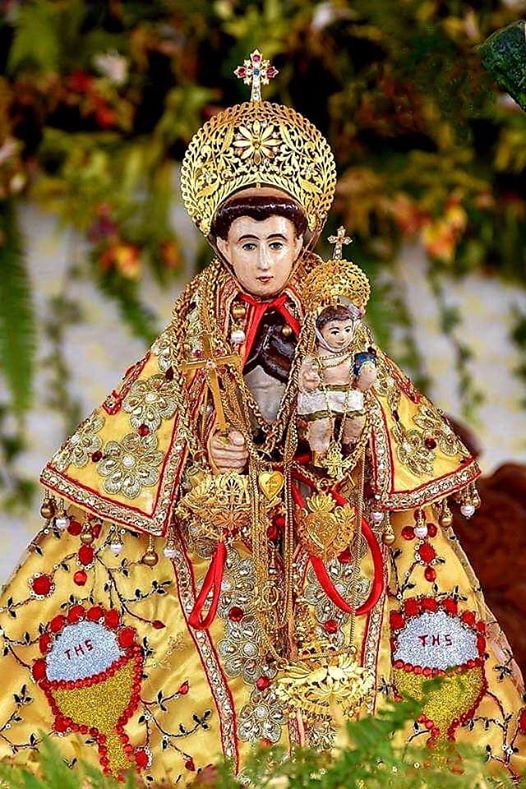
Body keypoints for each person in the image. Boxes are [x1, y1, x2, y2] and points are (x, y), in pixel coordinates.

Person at [0, 50, 524, 785]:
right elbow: (146, 423)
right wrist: (206, 451)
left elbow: (381, 410)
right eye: (248, 244)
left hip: (324, 517)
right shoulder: (196, 329)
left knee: (376, 664)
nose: (265, 261)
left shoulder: (333, 321)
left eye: (277, 243)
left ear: (301, 240)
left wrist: (341, 438)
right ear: (221, 245)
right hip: (227, 526)